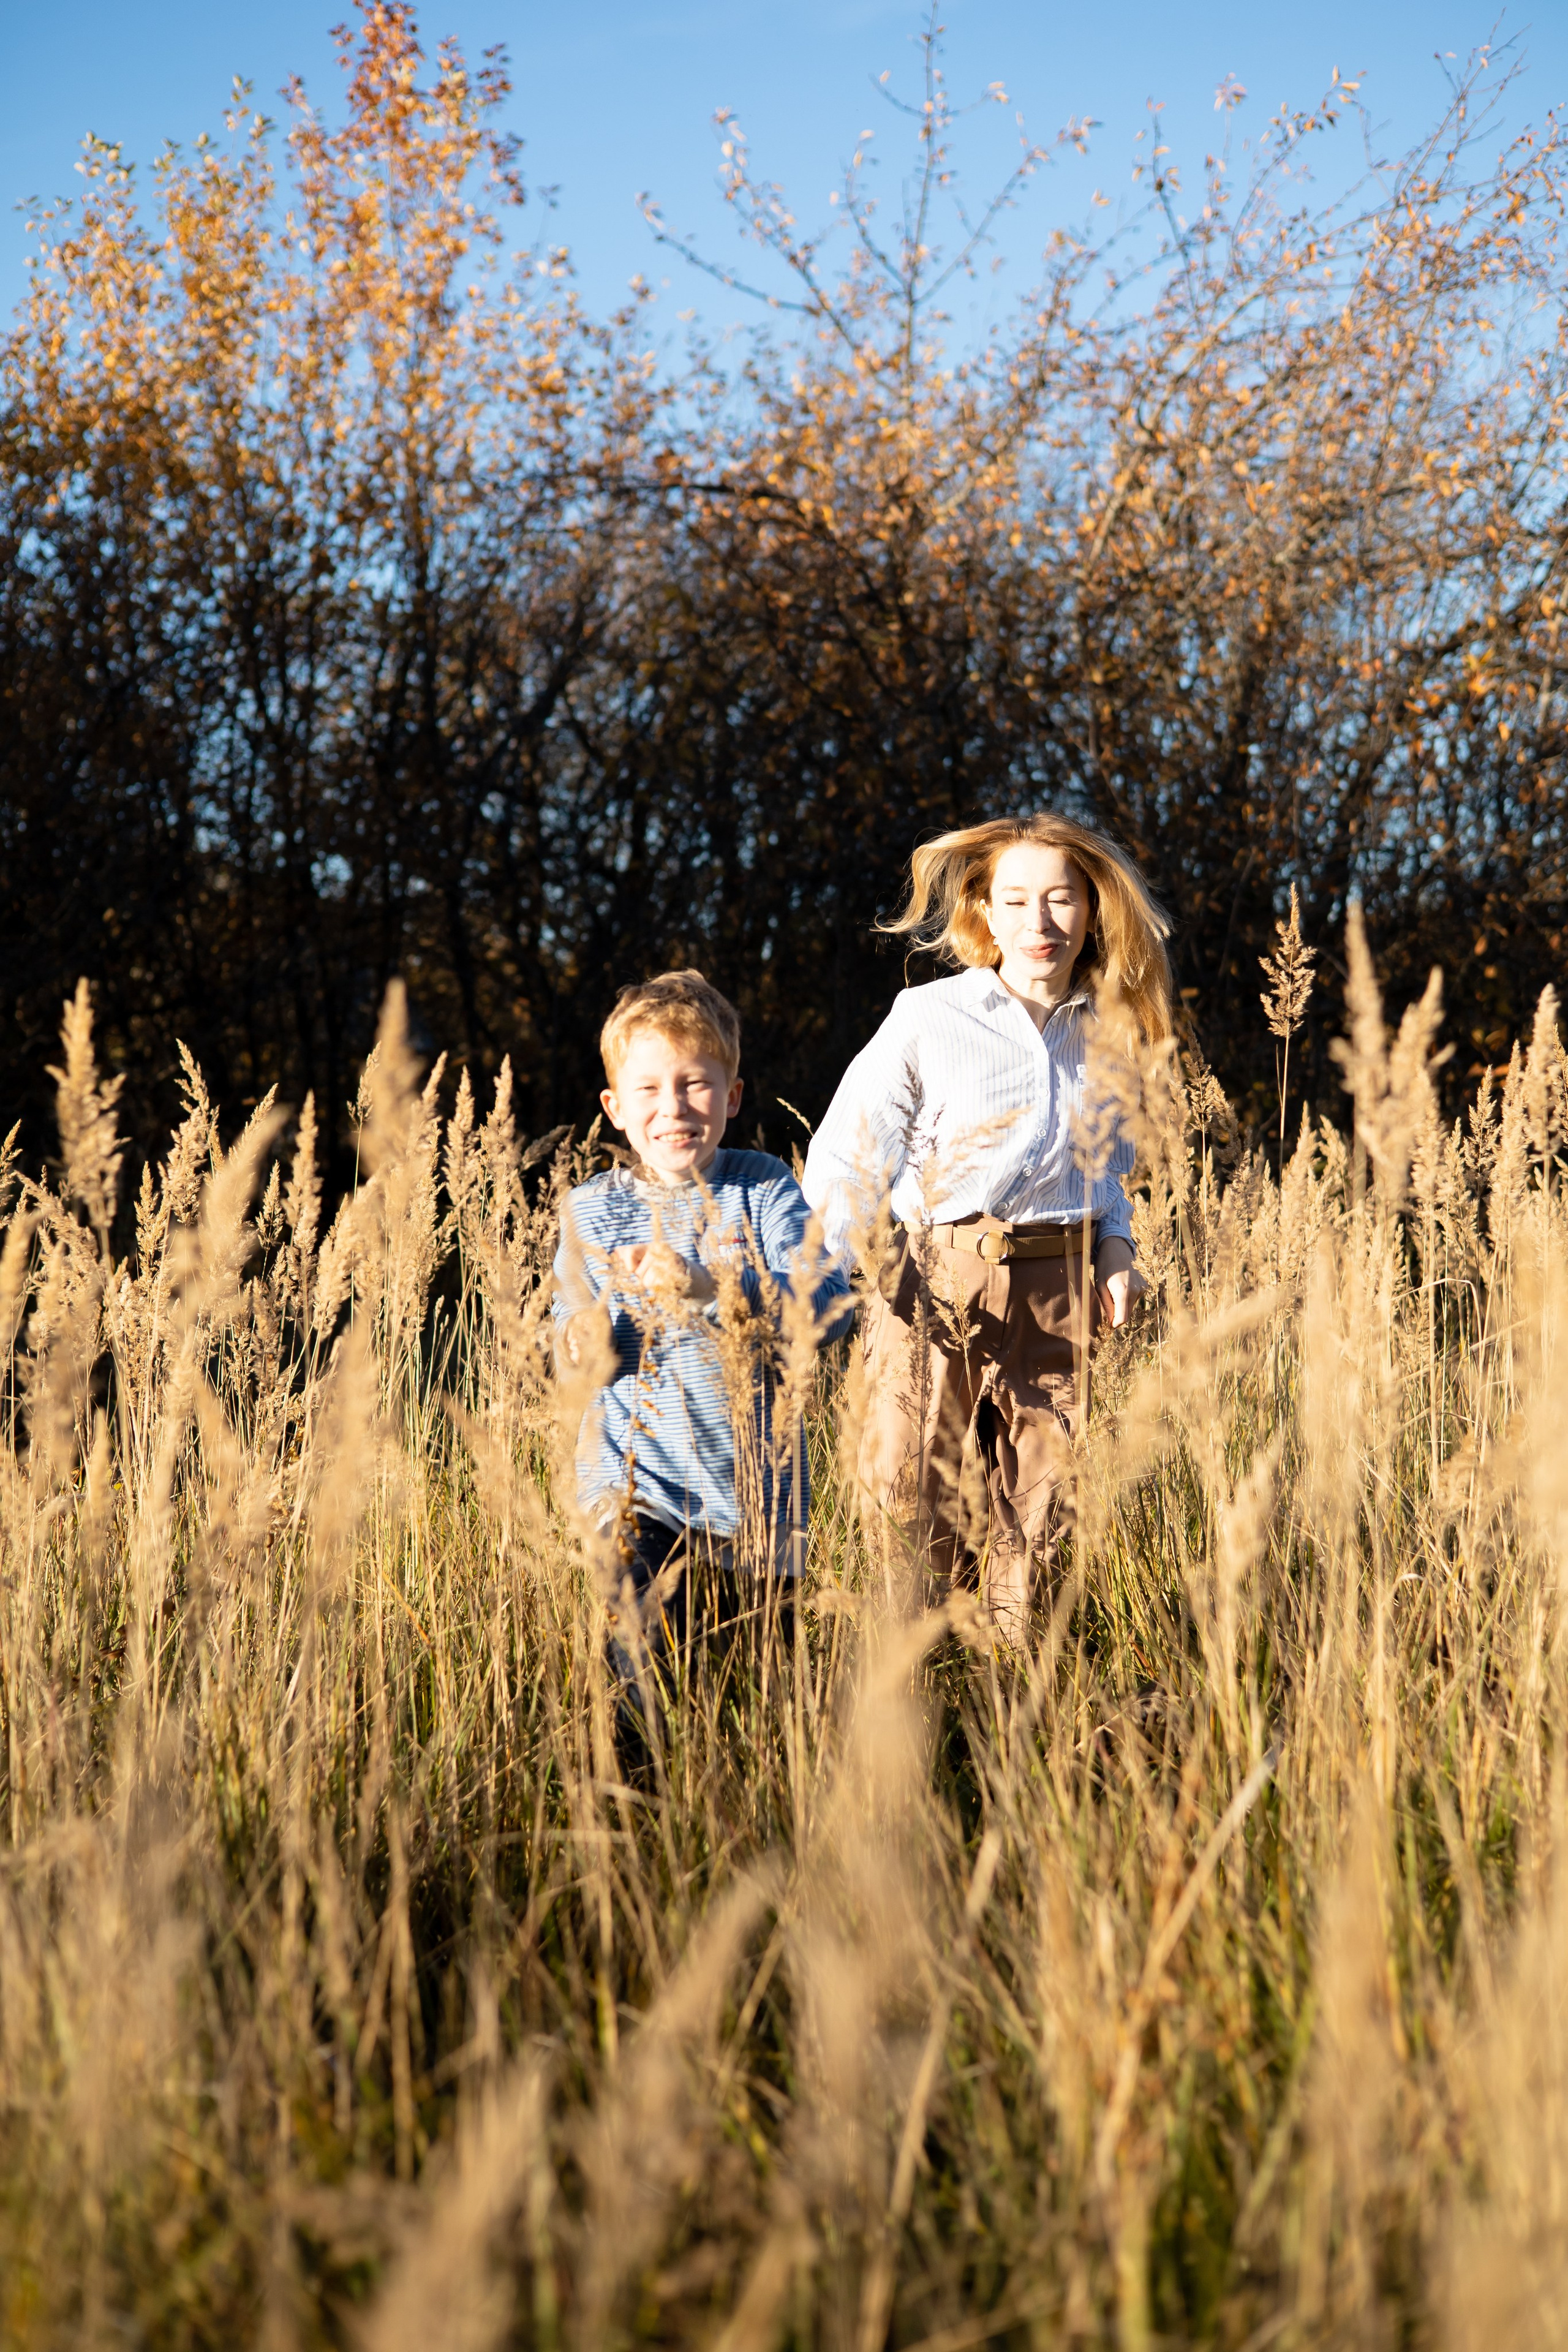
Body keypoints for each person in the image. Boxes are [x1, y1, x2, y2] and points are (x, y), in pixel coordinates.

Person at [801, 814, 1172, 1642]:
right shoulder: (928, 1017)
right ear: (985, 911)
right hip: (932, 1275)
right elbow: (851, 1153)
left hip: (1061, 1289)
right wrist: (839, 1277)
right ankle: (911, 1697)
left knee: (1043, 1513)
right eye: (1016, 900)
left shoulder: (1114, 1030)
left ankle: (1013, 1705)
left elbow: (1108, 1176)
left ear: (1093, 909)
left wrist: (1118, 1250)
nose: (1040, 923)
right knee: (907, 1492)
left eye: (1060, 900)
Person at [553, 969, 850, 1751]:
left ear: (733, 1095)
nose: (673, 1107)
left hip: (757, 1498)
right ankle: (631, 1825)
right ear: (615, 1107)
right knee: (638, 1677)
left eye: (695, 1084)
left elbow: (828, 1304)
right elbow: (569, 1342)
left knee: (762, 1699)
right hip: (633, 1493)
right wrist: (582, 1344)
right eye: (648, 1088)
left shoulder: (762, 1189)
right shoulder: (592, 1210)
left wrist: (712, 1285)